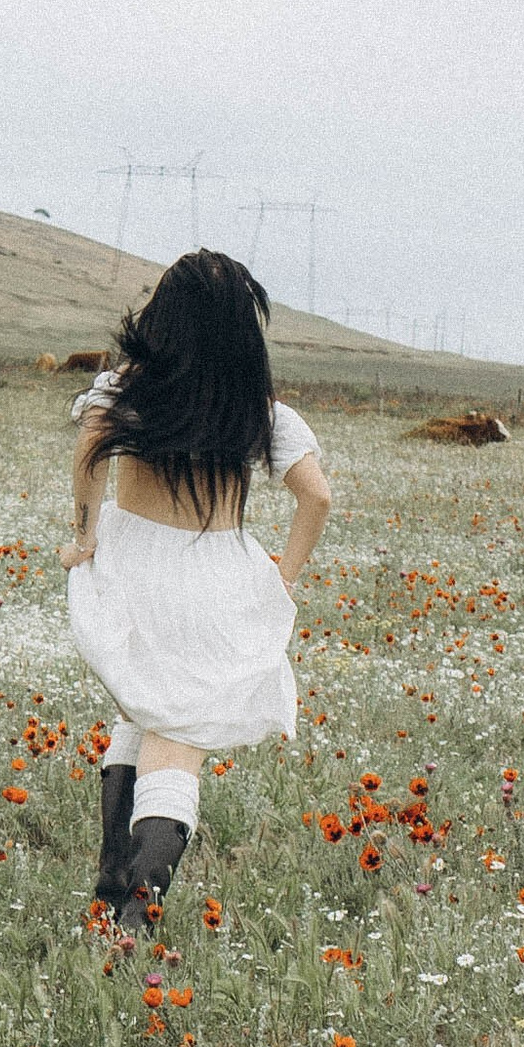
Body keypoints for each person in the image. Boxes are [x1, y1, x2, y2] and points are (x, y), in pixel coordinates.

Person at [61, 250, 332, 932]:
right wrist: (285, 578)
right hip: (214, 578)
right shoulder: (261, 411)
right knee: (177, 741)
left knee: (147, 710)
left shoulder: (123, 390)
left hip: (131, 566)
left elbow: (89, 455)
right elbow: (317, 499)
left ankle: (114, 872)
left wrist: (85, 536)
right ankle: (136, 909)